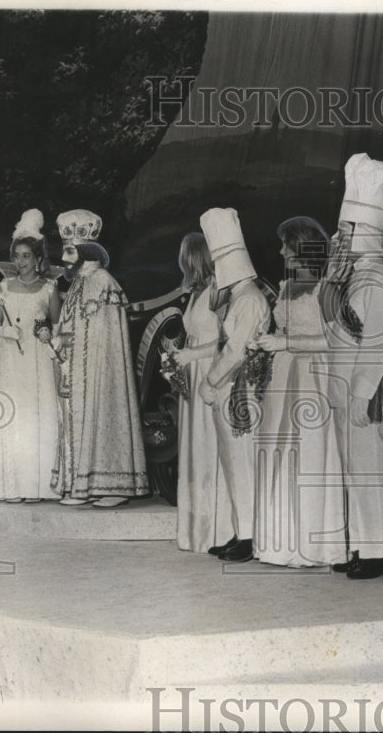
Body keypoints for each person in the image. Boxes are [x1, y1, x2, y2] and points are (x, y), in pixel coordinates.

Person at [323, 153, 383, 580]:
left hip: (368, 392)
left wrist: (361, 391)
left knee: (373, 467)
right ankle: (363, 544)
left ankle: (381, 549)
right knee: (356, 470)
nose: (338, 239)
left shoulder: (381, 276)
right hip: (345, 387)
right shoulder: (351, 275)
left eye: (345, 231)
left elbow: (378, 343)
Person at [252, 216, 347, 567]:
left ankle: (314, 542)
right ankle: (280, 541)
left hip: (313, 378)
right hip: (283, 378)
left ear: (302, 247)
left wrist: (286, 342)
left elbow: (337, 340)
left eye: (286, 245)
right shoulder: (286, 285)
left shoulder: (327, 289)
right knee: (281, 453)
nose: (280, 251)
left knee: (310, 454)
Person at [49, 209, 150, 508]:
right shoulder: (79, 282)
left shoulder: (103, 281)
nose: (64, 257)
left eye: (69, 250)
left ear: (85, 250)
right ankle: (85, 484)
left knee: (103, 417)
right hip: (78, 367)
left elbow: (106, 336)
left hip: (100, 370)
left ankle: (112, 485)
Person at [198, 207, 271, 563]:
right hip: (230, 390)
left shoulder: (250, 300)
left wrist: (211, 380)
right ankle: (240, 530)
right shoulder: (240, 298)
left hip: (240, 390)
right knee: (232, 461)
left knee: (242, 463)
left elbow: (236, 352)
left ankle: (250, 535)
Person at [0, 209, 62, 503]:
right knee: (15, 417)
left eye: (26, 256)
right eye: (17, 256)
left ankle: (38, 487)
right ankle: (12, 486)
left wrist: (48, 336)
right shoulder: (4, 287)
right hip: (11, 361)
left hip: (38, 362)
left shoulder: (49, 289)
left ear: (38, 258)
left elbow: (58, 326)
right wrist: (5, 332)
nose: (20, 261)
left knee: (36, 416)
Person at [168, 232, 234, 554]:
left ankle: (217, 531)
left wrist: (192, 356)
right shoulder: (196, 292)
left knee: (210, 449)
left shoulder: (217, 291)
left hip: (210, 374)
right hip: (192, 376)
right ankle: (196, 531)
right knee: (195, 450)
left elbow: (225, 341)